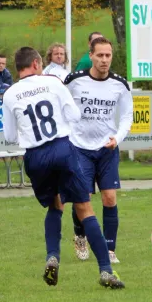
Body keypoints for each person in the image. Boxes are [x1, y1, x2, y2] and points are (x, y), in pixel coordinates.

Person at [1, 46, 124, 289]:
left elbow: (8, 136)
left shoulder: (10, 94)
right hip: (61, 149)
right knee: (84, 209)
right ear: (37, 63)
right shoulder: (54, 82)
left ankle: (52, 257)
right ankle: (106, 271)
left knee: (55, 205)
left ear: (18, 68)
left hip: (35, 156)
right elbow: (75, 116)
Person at [64, 37, 133, 265]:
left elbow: (126, 117)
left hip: (107, 149)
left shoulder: (120, 84)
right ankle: (80, 236)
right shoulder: (74, 81)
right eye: (100, 55)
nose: (104, 60)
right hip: (79, 149)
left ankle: (110, 249)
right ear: (91, 55)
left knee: (110, 198)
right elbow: (59, 107)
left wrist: (118, 137)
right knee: (82, 198)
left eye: (108, 55)